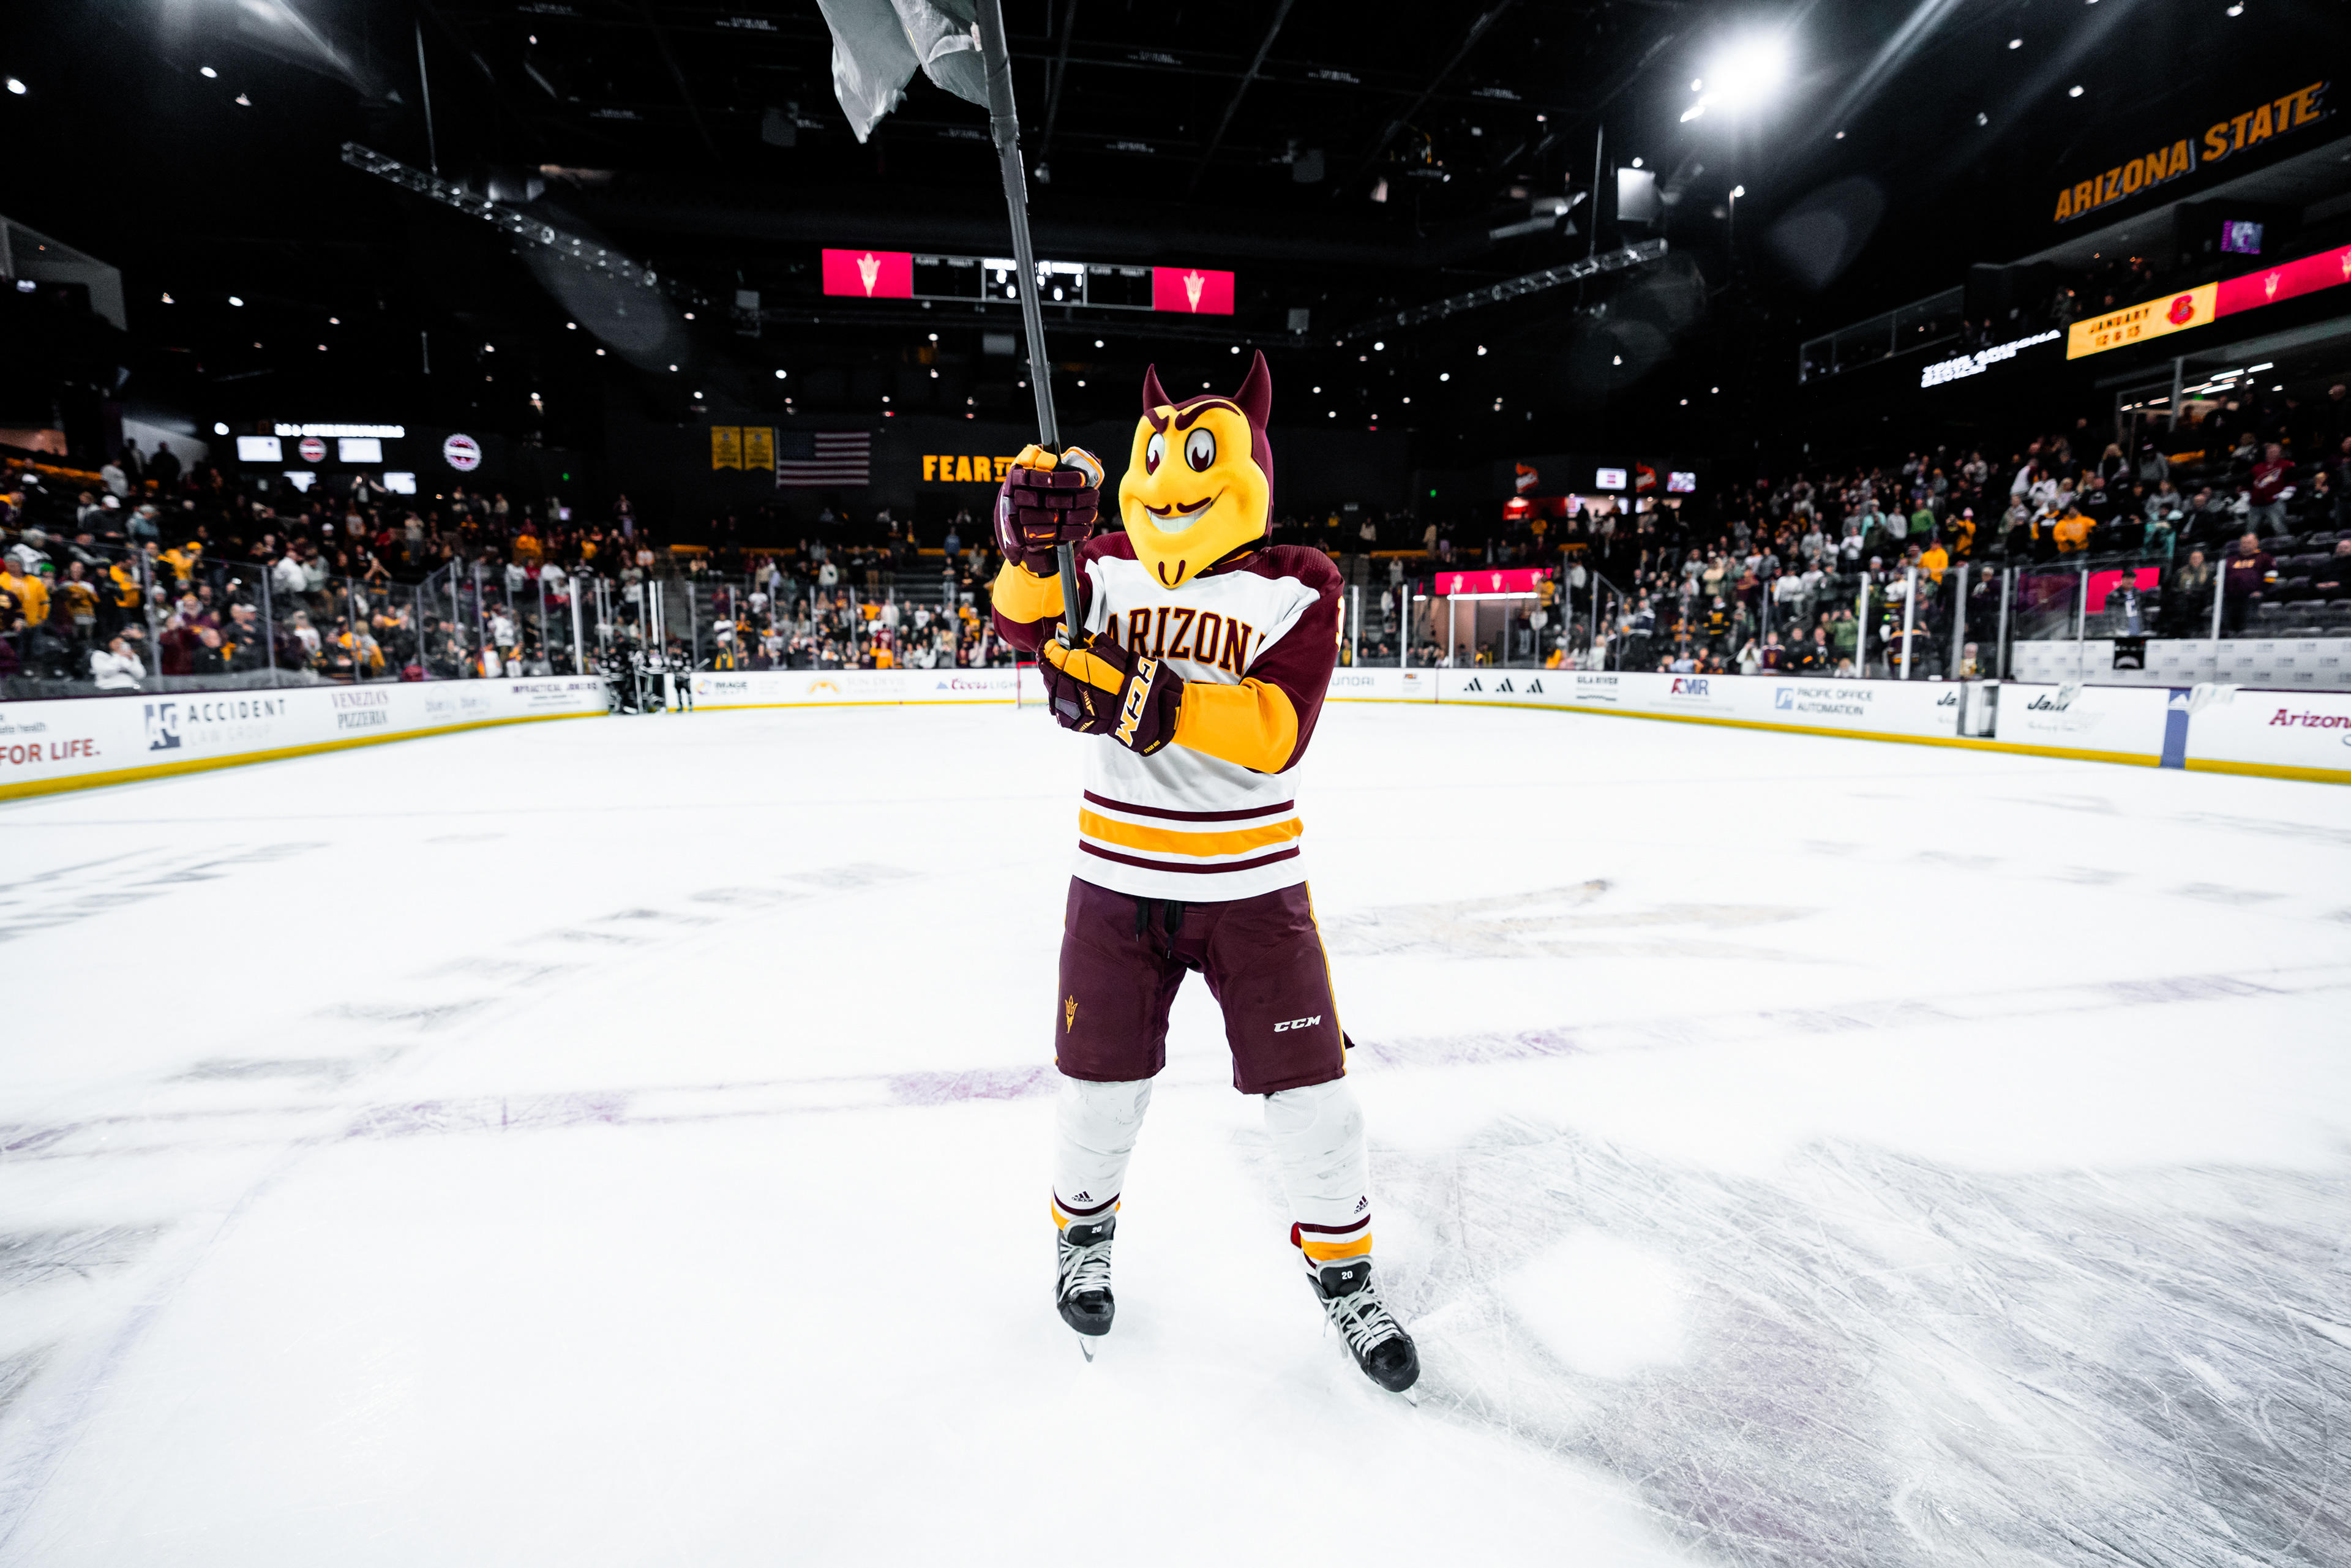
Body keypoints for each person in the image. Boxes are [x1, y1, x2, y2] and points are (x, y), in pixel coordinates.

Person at [991, 355, 1417, 1394]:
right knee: (1099, 1090)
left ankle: (1346, 1276)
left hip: (1254, 888)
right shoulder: (1099, 563)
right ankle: (1082, 1241)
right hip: (1116, 880)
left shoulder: (1298, 584)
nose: (1170, 481)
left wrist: (1154, 699)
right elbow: (1019, 620)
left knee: (1314, 1098)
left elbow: (1277, 729)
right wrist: (1026, 546)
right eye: (1157, 457)